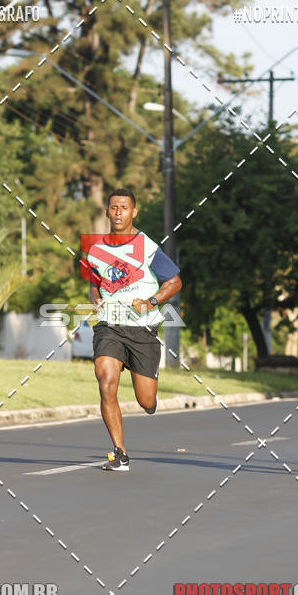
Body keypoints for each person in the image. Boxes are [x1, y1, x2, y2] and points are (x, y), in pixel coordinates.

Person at [83, 188, 182, 471]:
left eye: (124, 207)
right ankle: (120, 453)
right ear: (107, 211)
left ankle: (149, 397)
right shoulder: (95, 250)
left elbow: (175, 282)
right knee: (105, 380)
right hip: (110, 325)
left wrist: (151, 302)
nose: (118, 212)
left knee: (146, 401)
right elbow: (93, 284)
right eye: (114, 207)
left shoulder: (146, 246)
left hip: (142, 329)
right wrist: (95, 297)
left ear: (134, 212)